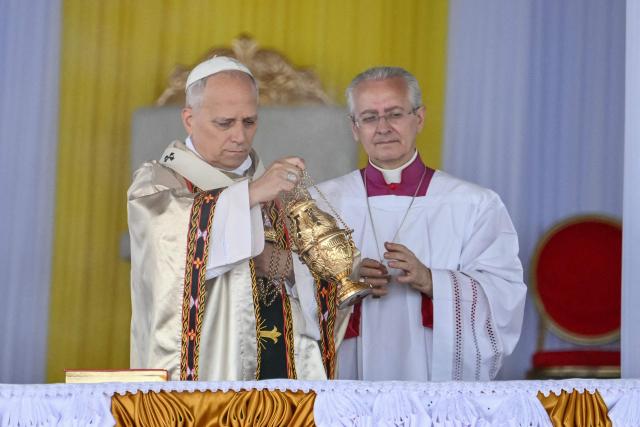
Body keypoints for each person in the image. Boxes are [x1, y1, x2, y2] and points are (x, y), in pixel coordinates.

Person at [127, 56, 344, 381]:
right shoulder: (159, 180)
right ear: (189, 119)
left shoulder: (275, 185)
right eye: (225, 123)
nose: (240, 136)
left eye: (250, 121)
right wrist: (251, 196)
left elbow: (317, 273)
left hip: (283, 369)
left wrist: (293, 267)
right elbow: (167, 253)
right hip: (207, 372)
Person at [312, 66, 527, 381]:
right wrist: (346, 282)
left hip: (432, 371)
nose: (383, 127)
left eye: (394, 114)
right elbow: (292, 296)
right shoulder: (322, 203)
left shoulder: (474, 204)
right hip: (349, 373)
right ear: (355, 128)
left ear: (419, 118)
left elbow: (504, 296)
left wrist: (432, 281)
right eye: (370, 117)